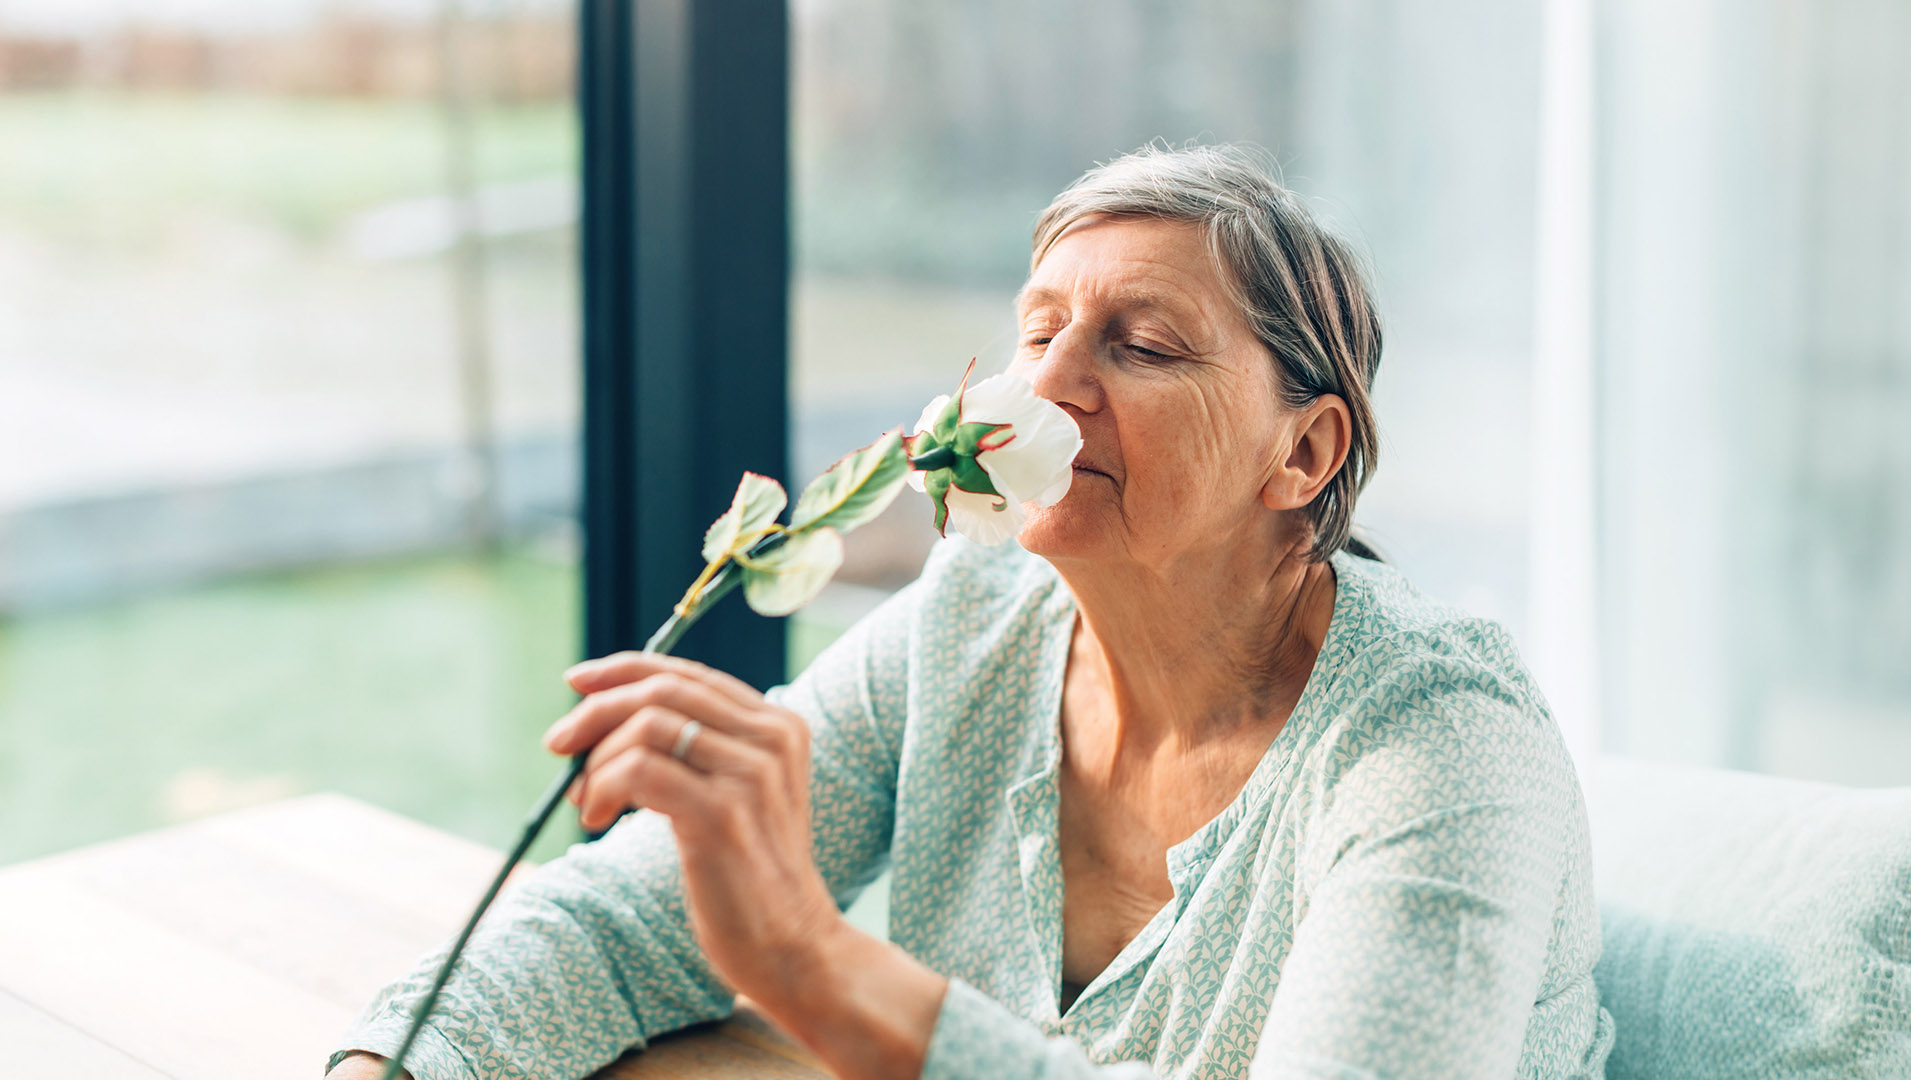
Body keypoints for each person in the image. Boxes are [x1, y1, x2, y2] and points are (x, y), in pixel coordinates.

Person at [328, 144, 1615, 1080]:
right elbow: (618, 929)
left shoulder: (1440, 744)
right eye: (1038, 333)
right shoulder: (976, 620)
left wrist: (817, 965)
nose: (1046, 387)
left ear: (1305, 454)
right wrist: (396, 1060)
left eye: (1141, 345)